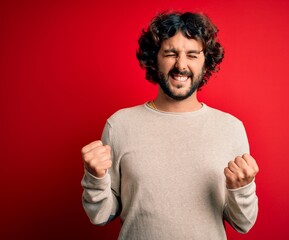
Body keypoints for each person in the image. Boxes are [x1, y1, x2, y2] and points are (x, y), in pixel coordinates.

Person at [81, 11, 259, 240]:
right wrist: (94, 178)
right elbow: (100, 216)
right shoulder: (119, 125)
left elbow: (243, 223)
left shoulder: (231, 128)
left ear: (206, 62)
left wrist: (241, 189)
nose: (181, 65)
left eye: (192, 55)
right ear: (154, 59)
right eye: (170, 53)